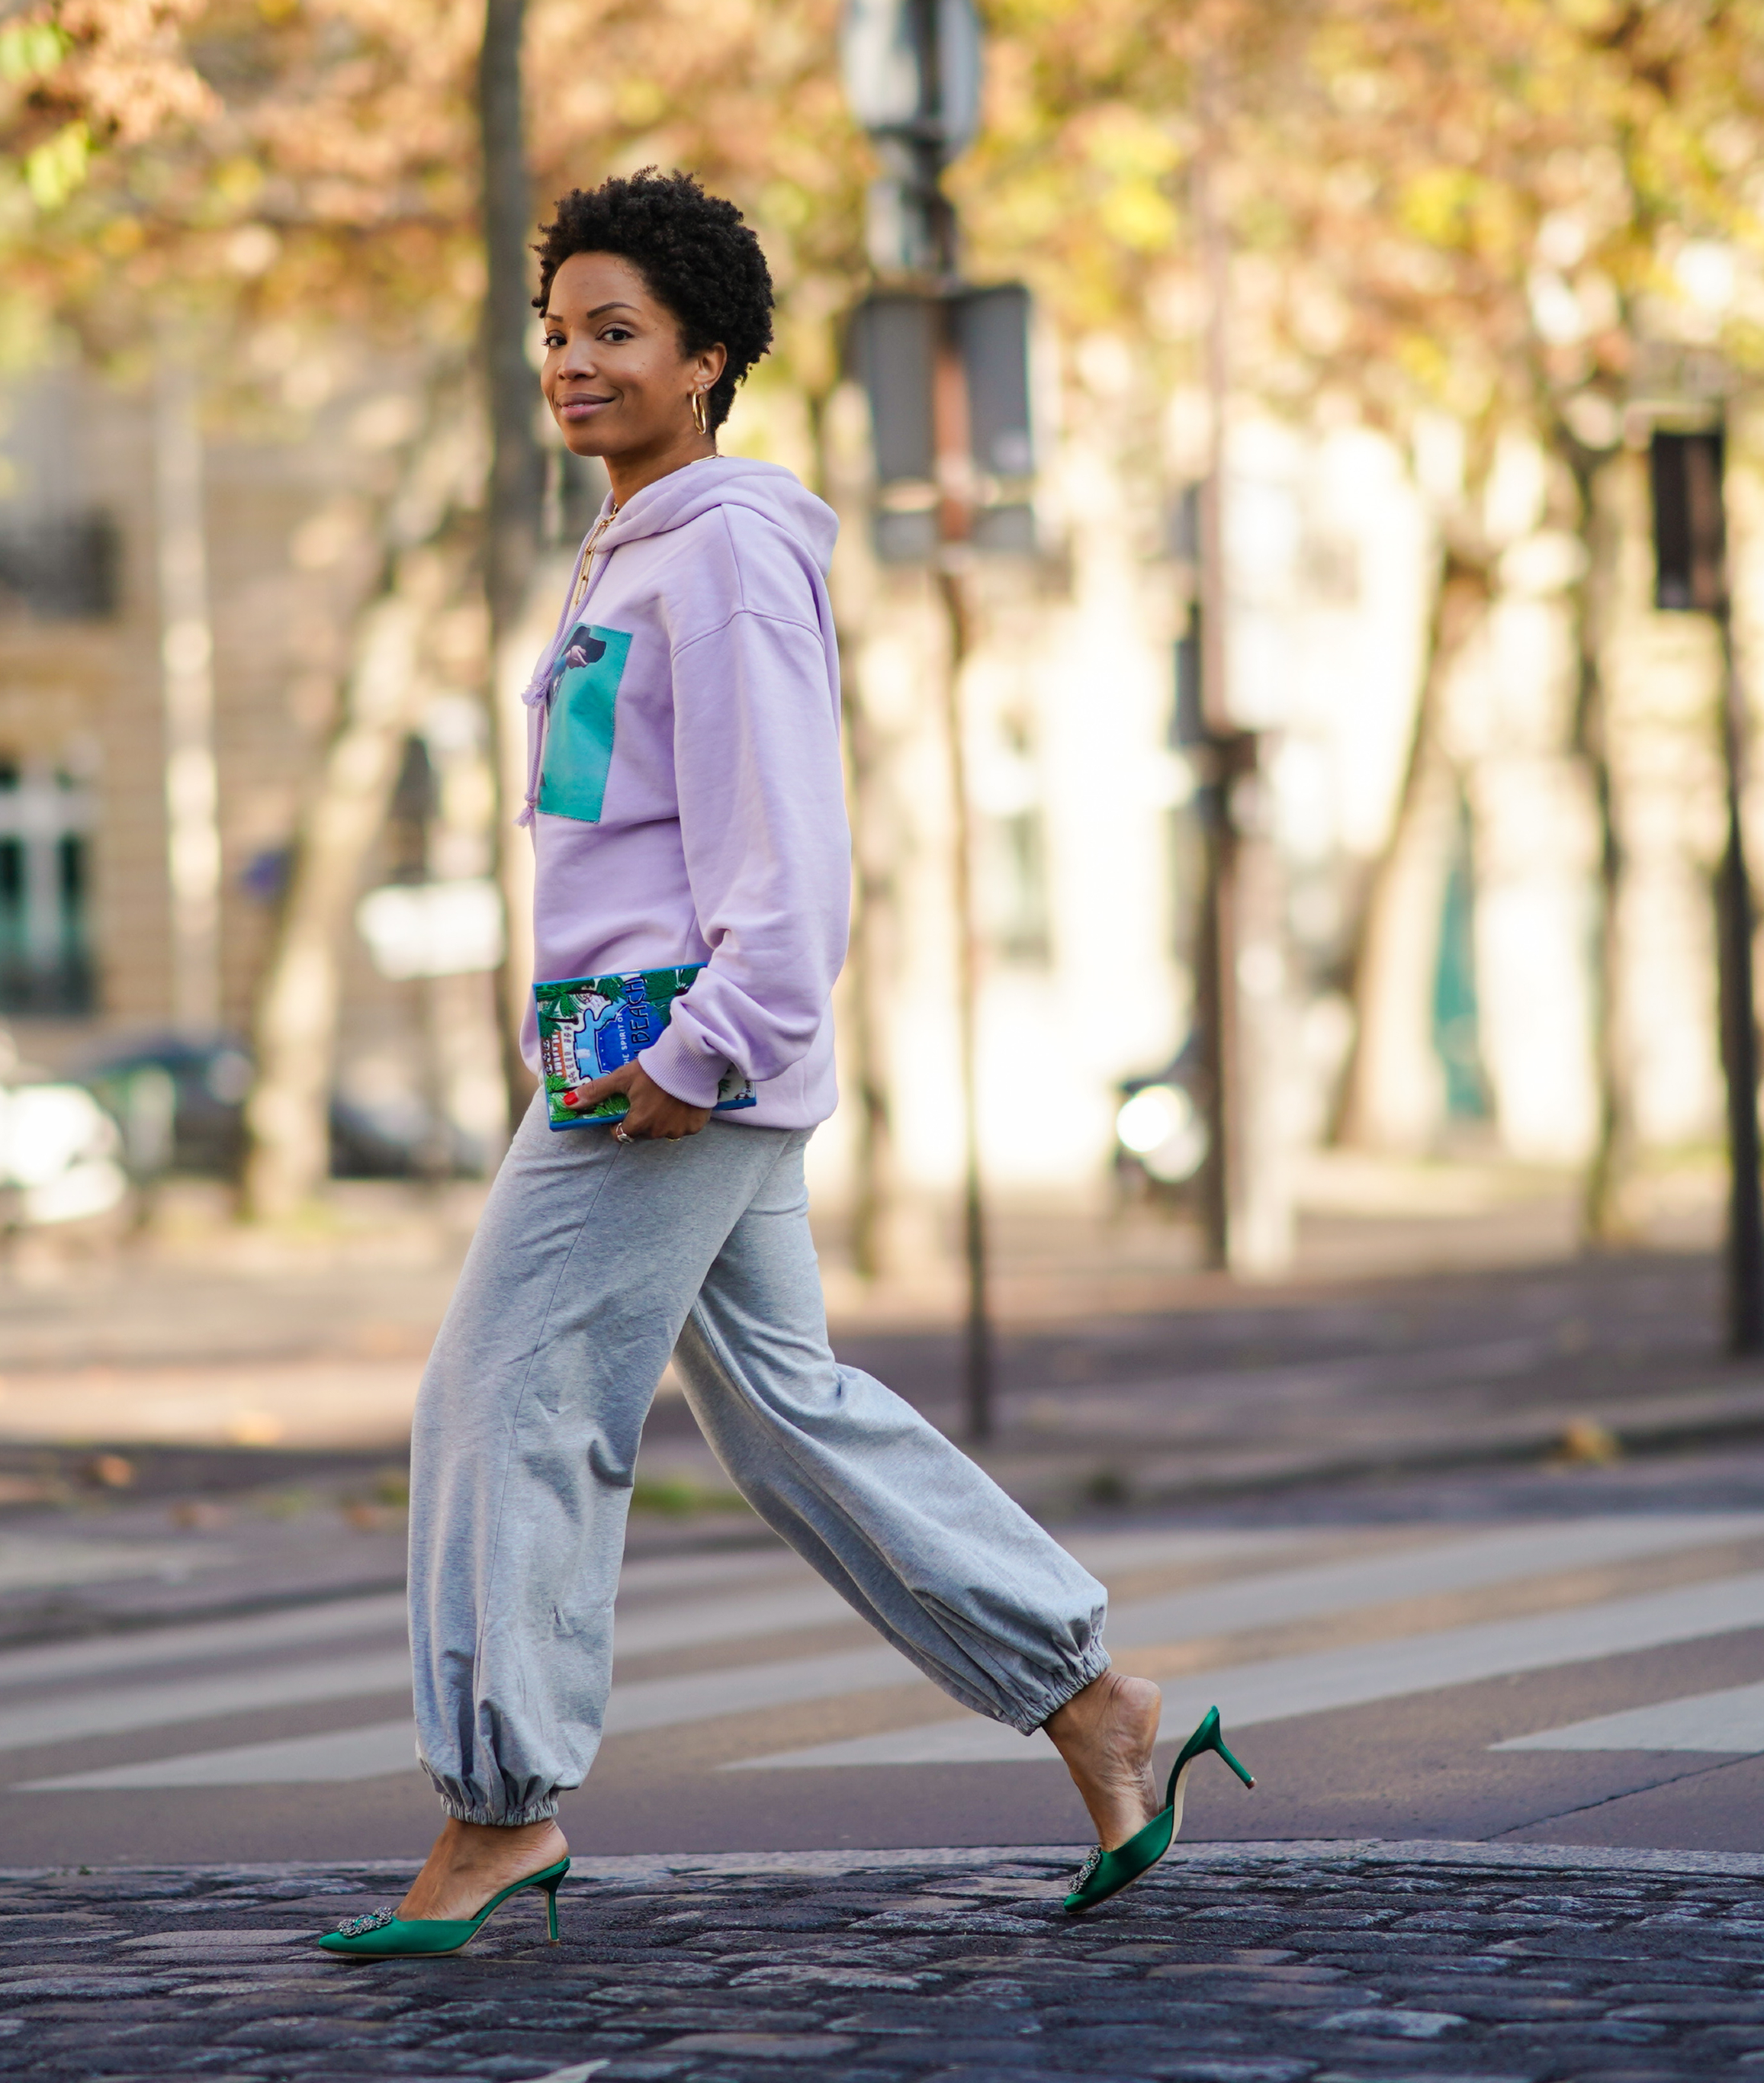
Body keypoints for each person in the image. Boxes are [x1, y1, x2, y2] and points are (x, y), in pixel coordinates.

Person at [320, 169, 1239, 1960]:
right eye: (558, 333)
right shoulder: (638, 537)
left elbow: (783, 841)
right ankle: (1097, 1707)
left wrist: (711, 1046)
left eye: (618, 334)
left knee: (498, 1396)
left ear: (708, 357)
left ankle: (498, 1805)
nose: (575, 363)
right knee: (791, 1421)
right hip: (635, 1042)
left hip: (672, 1057)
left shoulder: (726, 548)